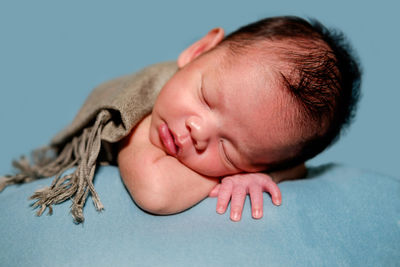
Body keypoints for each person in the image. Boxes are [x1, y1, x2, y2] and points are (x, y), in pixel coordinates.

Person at [117, 16, 361, 221]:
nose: (198, 131)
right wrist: (225, 175)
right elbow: (155, 193)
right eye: (206, 98)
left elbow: (297, 168)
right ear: (199, 51)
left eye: (227, 150)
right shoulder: (141, 115)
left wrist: (264, 177)